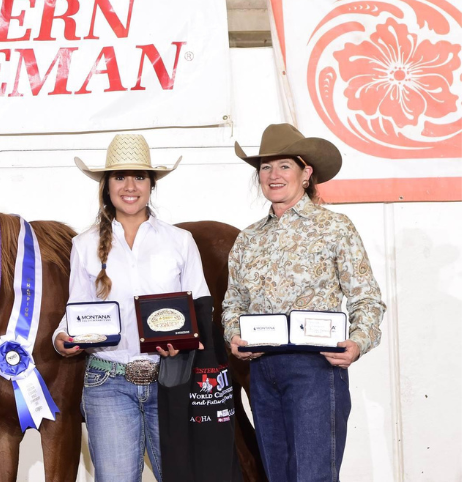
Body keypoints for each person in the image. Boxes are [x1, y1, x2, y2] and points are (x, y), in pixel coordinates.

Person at [221, 123, 386, 482]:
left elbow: (367, 298)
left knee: (313, 476)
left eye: (284, 166)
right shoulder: (248, 238)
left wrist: (358, 343)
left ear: (306, 173)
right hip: (263, 370)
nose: (273, 175)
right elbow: (233, 302)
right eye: (265, 167)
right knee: (276, 475)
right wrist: (234, 335)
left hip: (315, 367)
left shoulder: (335, 227)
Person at [53, 134, 211, 482]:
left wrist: (191, 341)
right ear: (106, 185)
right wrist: (61, 337)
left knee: (182, 476)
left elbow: (199, 308)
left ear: (152, 184)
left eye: (139, 176)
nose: (130, 186)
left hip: (170, 379)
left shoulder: (180, 241)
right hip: (108, 378)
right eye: (119, 176)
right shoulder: (84, 244)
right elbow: (75, 311)